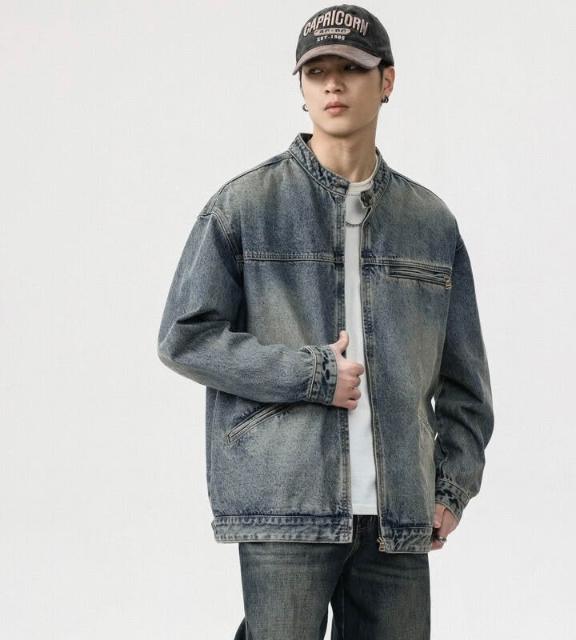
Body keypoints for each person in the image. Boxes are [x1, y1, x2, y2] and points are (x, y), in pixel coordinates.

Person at [157, 4, 494, 639]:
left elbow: (466, 382)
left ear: (387, 81)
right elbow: (185, 336)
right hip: (286, 506)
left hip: (398, 515)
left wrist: (450, 488)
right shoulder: (245, 206)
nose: (333, 84)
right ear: (302, 87)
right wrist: (312, 374)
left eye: (351, 68)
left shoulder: (430, 223)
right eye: (316, 72)